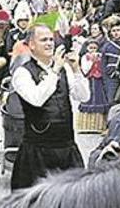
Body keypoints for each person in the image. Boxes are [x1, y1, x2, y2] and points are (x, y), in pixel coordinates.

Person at [10, 24, 89, 189]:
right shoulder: (22, 73)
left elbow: (83, 96)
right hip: (37, 150)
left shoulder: (65, 69)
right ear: (31, 44)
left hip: (66, 147)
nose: (49, 44)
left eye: (51, 39)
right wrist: (54, 70)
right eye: (43, 40)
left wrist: (76, 69)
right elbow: (36, 99)